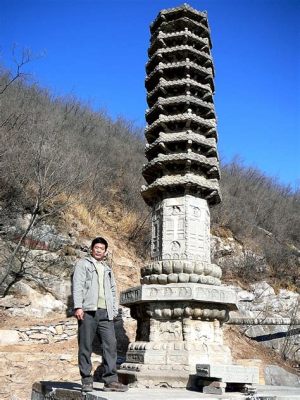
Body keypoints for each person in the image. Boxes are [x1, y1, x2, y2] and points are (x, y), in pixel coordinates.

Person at [72, 236, 128, 392]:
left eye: (102, 249)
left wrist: (113, 309)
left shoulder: (107, 268)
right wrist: (78, 307)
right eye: (96, 248)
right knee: (85, 346)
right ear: (92, 249)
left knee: (111, 345)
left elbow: (112, 290)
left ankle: (110, 380)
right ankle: (86, 380)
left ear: (105, 252)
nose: (98, 250)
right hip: (88, 311)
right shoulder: (83, 264)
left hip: (106, 313)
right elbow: (78, 286)